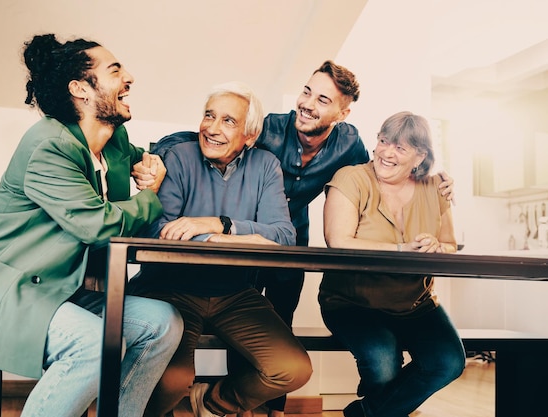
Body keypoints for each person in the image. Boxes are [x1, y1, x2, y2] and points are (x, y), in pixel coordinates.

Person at [143, 60, 455, 417]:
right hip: (231, 247)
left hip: (285, 239)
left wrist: (434, 176)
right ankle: (230, 406)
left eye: (323, 99)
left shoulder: (348, 142)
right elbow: (209, 136)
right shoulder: (267, 129)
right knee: (220, 329)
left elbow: (372, 171)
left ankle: (265, 409)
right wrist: (157, 153)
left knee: (280, 319)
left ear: (342, 111)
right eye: (307, 91)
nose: (308, 103)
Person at [0, 34, 184, 417]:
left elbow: (145, 156)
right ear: (80, 89)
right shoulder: (48, 145)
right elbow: (98, 225)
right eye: (115, 70)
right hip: (8, 293)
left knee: (163, 323)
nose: (130, 77)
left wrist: (152, 161)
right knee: (92, 343)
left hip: (62, 287)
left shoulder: (113, 140)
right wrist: (150, 194)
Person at [127, 81, 313, 417]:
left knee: (293, 368)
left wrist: (219, 225)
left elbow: (285, 236)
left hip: (234, 292)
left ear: (250, 135)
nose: (211, 128)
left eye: (228, 121)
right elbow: (159, 231)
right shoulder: (179, 157)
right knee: (172, 380)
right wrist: (239, 240)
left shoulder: (266, 165)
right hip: (170, 288)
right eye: (209, 116)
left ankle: (213, 403)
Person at [319, 111, 465, 417]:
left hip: (415, 303)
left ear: (420, 155)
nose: (386, 152)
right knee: (383, 363)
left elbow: (451, 244)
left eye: (400, 148)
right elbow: (338, 240)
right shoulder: (352, 178)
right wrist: (401, 248)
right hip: (352, 302)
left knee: (448, 362)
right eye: (384, 141)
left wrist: (439, 248)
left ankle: (364, 413)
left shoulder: (435, 186)